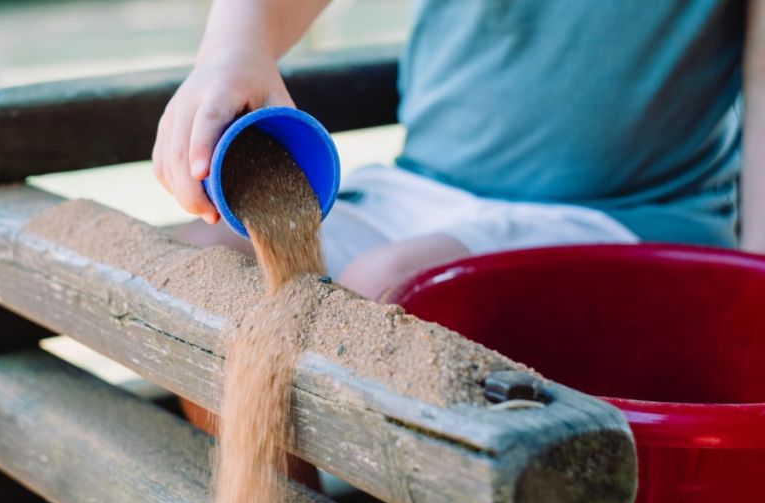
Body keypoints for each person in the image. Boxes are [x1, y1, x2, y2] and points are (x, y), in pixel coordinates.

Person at [153, 0, 765, 302]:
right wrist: (235, 47)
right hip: (422, 187)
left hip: (627, 213)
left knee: (396, 285)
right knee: (208, 264)